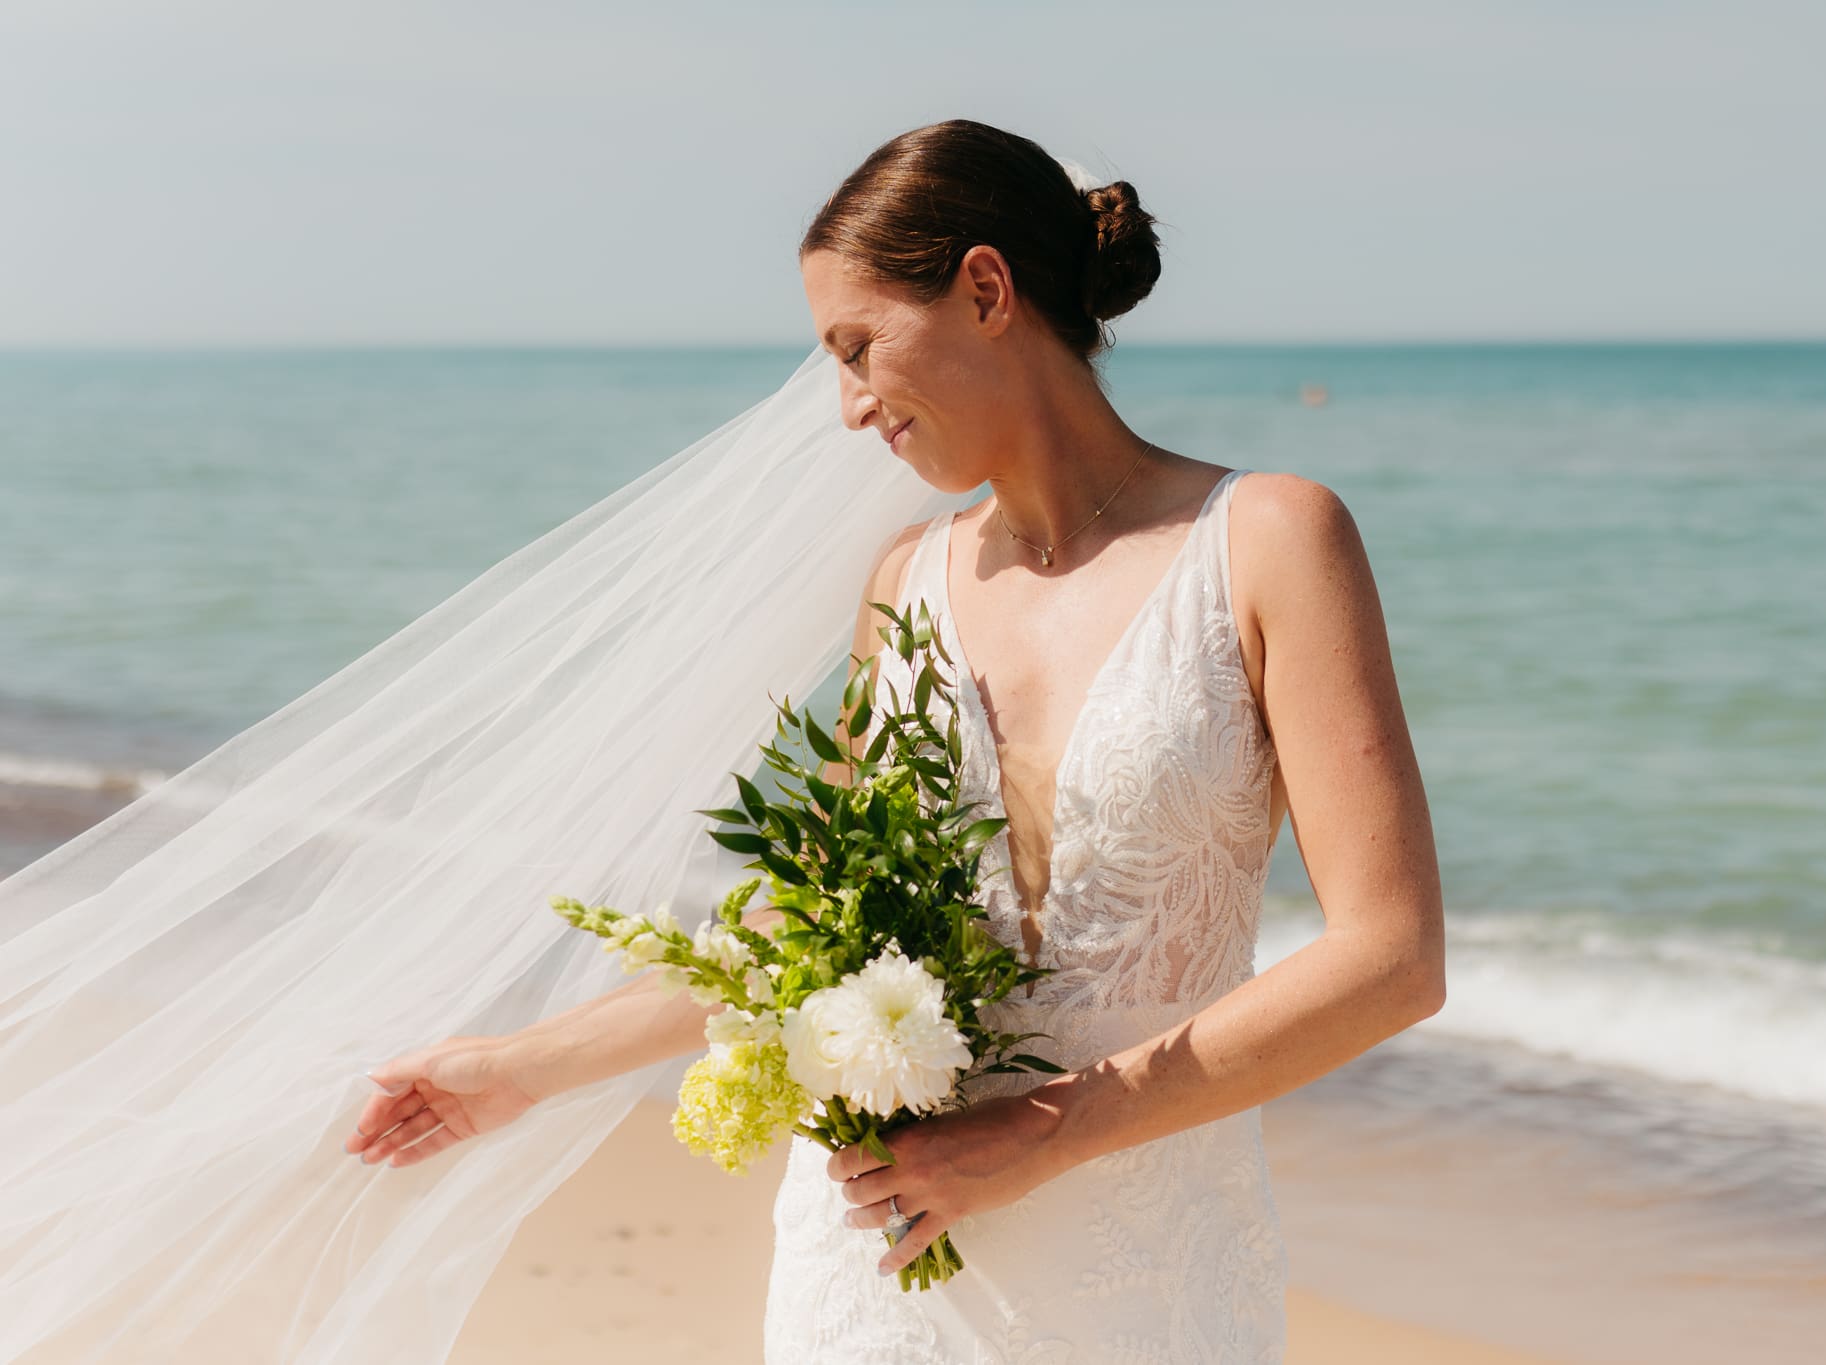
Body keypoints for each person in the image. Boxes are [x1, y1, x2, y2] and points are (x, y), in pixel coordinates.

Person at [345, 119, 1444, 1361]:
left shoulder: (1267, 541)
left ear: (983, 289)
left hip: (1147, 1267)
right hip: (874, 1260)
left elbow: (1391, 958)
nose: (850, 405)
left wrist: (1050, 1128)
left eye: (857, 347)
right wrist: (523, 1065)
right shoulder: (904, 584)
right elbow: (804, 923)